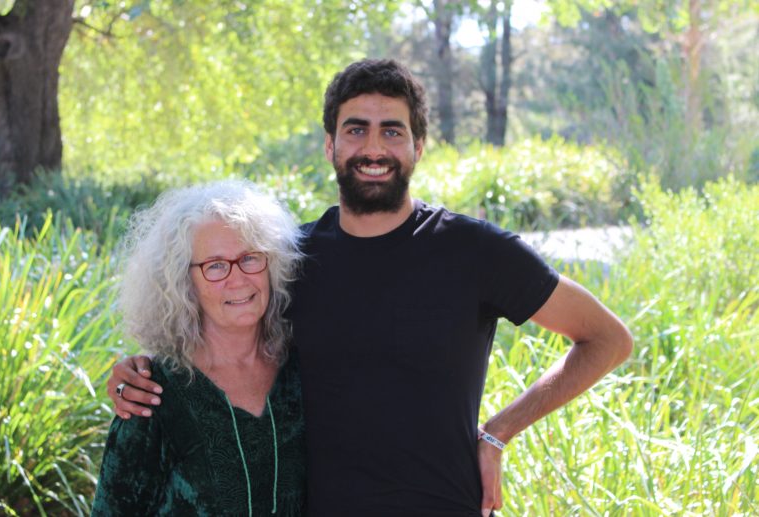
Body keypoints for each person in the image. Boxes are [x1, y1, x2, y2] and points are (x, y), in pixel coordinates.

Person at [107, 59, 633, 516]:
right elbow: (219, 312)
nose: (373, 147)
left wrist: (499, 431)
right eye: (356, 130)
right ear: (331, 145)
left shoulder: (476, 251)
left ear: (418, 146)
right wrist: (137, 371)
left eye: (392, 131)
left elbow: (607, 340)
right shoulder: (293, 258)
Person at [92, 181, 306, 516]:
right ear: (183, 281)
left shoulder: (303, 373)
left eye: (250, 258)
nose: (238, 279)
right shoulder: (150, 392)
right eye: (215, 265)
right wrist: (121, 381)